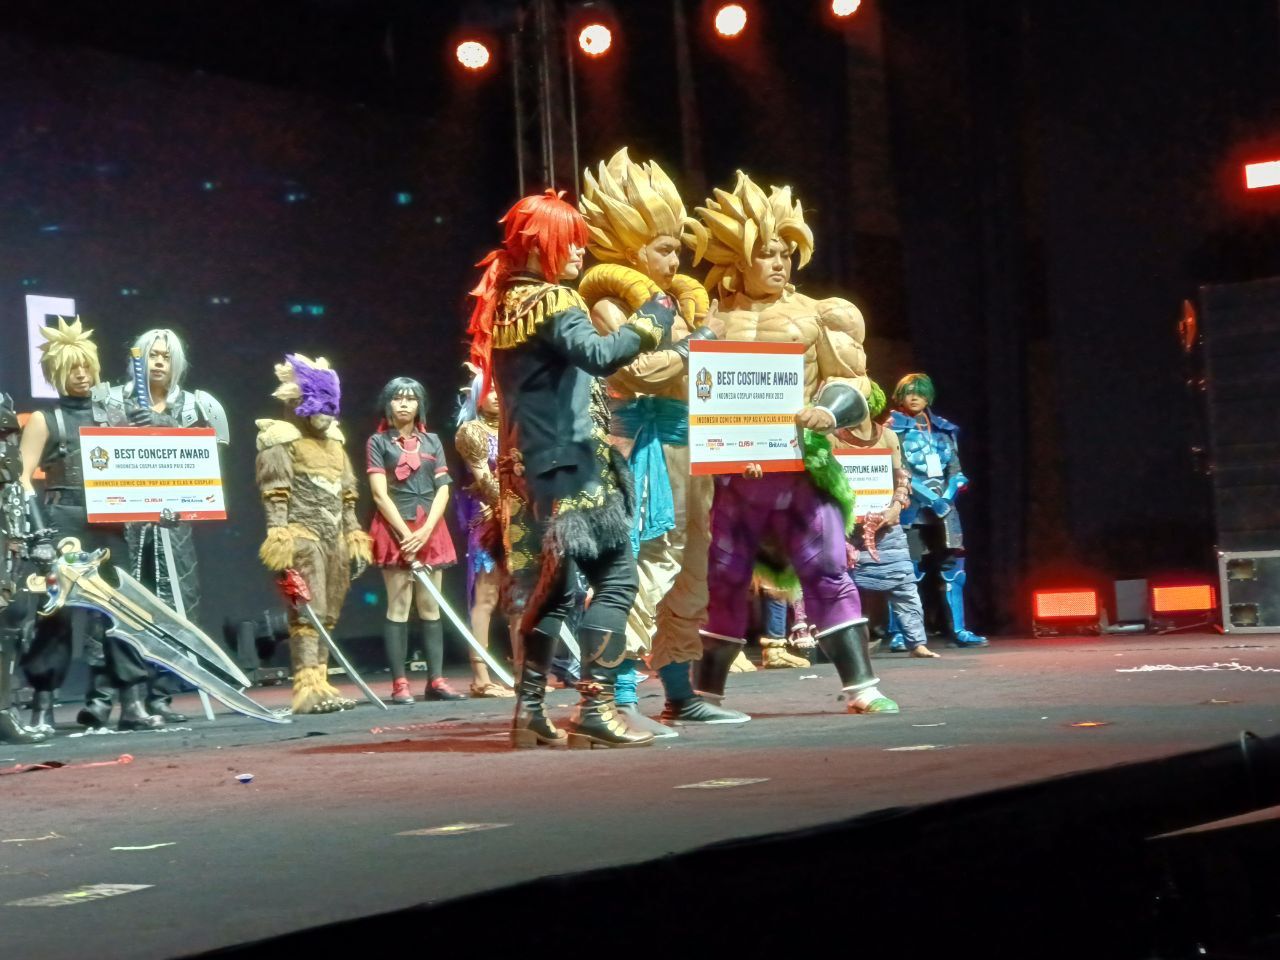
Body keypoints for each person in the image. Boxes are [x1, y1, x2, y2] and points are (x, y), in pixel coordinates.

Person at [678, 171, 899, 716]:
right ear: (738, 259)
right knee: (723, 579)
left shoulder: (820, 314)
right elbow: (685, 394)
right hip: (733, 479)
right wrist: (725, 445)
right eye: (766, 254)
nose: (779, 263)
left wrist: (829, 411)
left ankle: (862, 687)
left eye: (784, 253)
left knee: (827, 569)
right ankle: (705, 695)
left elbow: (858, 384)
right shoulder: (708, 321)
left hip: (802, 471)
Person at [466, 189, 666, 748]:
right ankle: (596, 708)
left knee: (549, 591)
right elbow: (600, 355)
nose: (580, 252)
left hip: (524, 471)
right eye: (570, 242)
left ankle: (529, 712)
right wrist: (653, 318)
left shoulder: (505, 306)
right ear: (539, 246)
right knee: (617, 579)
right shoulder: (554, 301)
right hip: (573, 467)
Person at [576, 148, 733, 736]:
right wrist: (696, 346)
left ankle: (679, 693)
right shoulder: (610, 303)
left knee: (691, 572)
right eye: (664, 248)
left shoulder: (683, 305)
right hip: (640, 449)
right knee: (642, 567)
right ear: (631, 248)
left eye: (675, 248)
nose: (676, 259)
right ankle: (615, 696)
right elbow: (637, 372)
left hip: (689, 450)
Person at [16, 318, 160, 731]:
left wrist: (148, 430)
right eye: (72, 367)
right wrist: (39, 533)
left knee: (123, 611)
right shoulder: (46, 419)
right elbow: (22, 478)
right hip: (61, 522)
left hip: (108, 522)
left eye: (86, 366)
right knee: (55, 614)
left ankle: (132, 703)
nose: (81, 374)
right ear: (56, 372)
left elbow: (142, 463)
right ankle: (42, 707)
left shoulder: (112, 415)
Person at [93, 328, 229, 723]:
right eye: (152, 354)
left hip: (172, 525)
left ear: (176, 362)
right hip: (122, 524)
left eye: (165, 356)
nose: (157, 362)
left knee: (173, 608)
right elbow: (97, 455)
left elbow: (205, 463)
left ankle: (160, 695)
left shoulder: (194, 405)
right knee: (121, 606)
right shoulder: (111, 400)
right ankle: (110, 697)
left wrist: (164, 423)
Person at [256, 354, 373, 714]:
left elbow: (348, 496)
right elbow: (276, 493)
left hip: (334, 537)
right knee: (309, 611)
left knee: (330, 610)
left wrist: (353, 535)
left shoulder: (335, 445)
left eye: (330, 407)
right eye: (319, 406)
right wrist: (280, 538)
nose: (326, 415)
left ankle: (321, 683)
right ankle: (306, 687)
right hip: (303, 535)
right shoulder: (282, 440)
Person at [367, 376, 462, 704]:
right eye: (398, 398)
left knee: (430, 605)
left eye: (411, 398)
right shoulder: (378, 442)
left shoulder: (432, 441)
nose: (404, 404)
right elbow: (379, 495)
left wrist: (425, 531)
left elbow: (443, 489)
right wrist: (407, 536)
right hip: (396, 530)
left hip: (430, 530)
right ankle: (400, 683)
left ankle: (436, 680)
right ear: (388, 403)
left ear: (420, 404)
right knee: (399, 604)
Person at [834, 381, 939, 659]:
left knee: (904, 583)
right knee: (845, 587)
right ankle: (849, 647)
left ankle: (916, 642)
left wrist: (895, 507)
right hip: (847, 527)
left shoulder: (888, 437)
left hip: (886, 525)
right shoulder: (833, 438)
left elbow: (901, 477)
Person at [889, 374, 987, 648]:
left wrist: (946, 495)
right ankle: (901, 632)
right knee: (905, 571)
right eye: (909, 392)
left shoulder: (944, 430)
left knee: (953, 569)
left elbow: (955, 471)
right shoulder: (891, 430)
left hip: (945, 513)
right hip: (909, 510)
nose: (914, 397)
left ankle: (958, 629)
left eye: (920, 392)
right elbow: (899, 471)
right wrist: (932, 498)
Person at [453, 367, 517, 698]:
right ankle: (481, 677)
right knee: (486, 598)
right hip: (489, 522)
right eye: (488, 389)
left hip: (518, 521)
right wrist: (511, 503)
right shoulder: (471, 432)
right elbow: (485, 480)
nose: (494, 395)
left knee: (519, 599)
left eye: (498, 388)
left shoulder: (514, 428)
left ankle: (525, 674)